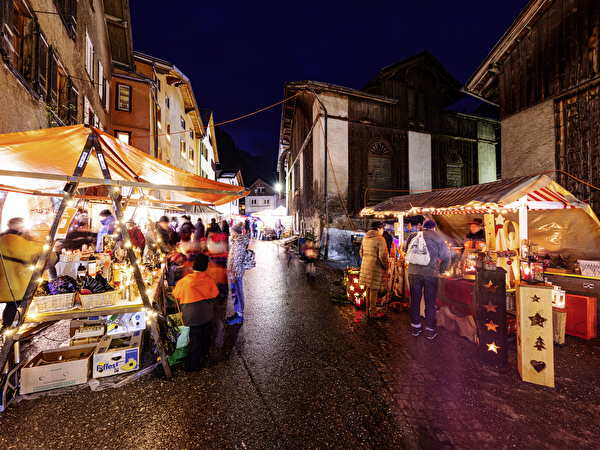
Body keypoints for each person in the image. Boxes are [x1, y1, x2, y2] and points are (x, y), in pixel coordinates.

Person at [404, 219, 451, 340]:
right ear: (433, 228)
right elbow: (446, 257)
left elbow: (405, 250)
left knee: (415, 300)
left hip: (413, 272)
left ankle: (416, 327)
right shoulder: (438, 238)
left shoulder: (413, 235)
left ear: (423, 227)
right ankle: (430, 330)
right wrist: (441, 270)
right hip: (430, 273)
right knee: (430, 302)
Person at [172, 253, 219, 371]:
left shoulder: (184, 281)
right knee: (206, 334)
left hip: (191, 315)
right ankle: (205, 353)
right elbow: (214, 294)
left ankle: (193, 365)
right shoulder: (209, 281)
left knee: (195, 338)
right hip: (206, 314)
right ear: (206, 267)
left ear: (193, 266)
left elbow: (176, 294)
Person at [0, 218, 44, 330]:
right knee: (15, 306)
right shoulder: (13, 239)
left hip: (8, 280)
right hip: (14, 281)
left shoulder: (4, 238)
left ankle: (8, 329)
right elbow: (31, 251)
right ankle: (11, 333)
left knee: (12, 306)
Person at [359, 221, 389, 320]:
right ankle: (372, 312)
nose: (383, 231)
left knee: (368, 288)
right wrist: (386, 266)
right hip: (375, 267)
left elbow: (361, 252)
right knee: (374, 289)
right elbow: (383, 256)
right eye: (382, 229)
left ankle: (368, 310)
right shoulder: (380, 239)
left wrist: (366, 260)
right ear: (378, 229)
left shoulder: (365, 238)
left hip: (366, 266)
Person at [226, 225, 249, 325]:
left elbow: (237, 260)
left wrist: (234, 274)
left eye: (232, 231)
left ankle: (239, 315)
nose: (230, 233)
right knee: (235, 293)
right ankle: (237, 312)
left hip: (236, 273)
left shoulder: (239, 243)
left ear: (235, 232)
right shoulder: (236, 241)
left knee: (238, 293)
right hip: (234, 273)